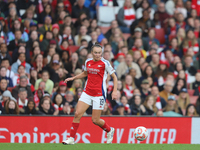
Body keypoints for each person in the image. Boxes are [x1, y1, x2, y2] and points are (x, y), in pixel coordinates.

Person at [62, 43, 117, 145]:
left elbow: (114, 77)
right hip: (87, 92)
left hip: (99, 94)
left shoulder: (105, 63)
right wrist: (73, 78)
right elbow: (85, 73)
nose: (97, 55)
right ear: (92, 53)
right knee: (77, 114)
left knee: (95, 120)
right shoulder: (88, 62)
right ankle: (71, 138)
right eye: (95, 53)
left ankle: (110, 130)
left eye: (99, 53)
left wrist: (114, 91)